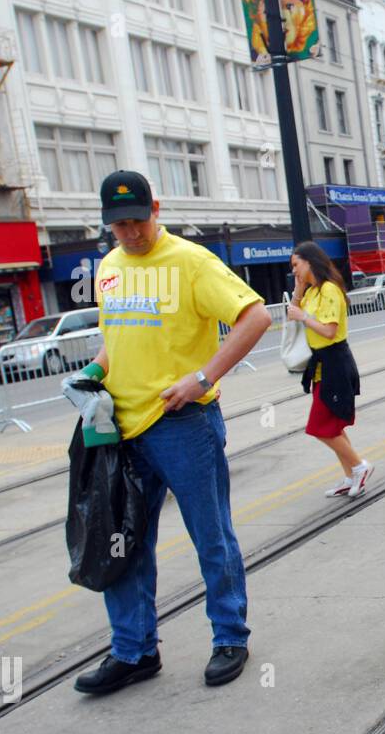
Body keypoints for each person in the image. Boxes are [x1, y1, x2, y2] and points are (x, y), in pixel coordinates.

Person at [72, 170, 272, 695]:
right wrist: (94, 372)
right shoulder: (110, 268)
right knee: (125, 543)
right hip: (122, 428)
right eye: (119, 226)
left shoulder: (191, 261)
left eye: (137, 221)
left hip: (184, 425)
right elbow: (120, 339)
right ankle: (133, 651)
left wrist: (203, 377)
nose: (131, 233)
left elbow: (254, 317)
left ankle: (230, 636)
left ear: (155, 208)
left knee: (211, 536)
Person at [285, 242, 371, 498]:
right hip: (321, 366)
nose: (294, 271)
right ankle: (350, 475)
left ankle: (359, 466)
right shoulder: (312, 292)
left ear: (310, 261)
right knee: (333, 427)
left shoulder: (329, 290)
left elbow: (329, 330)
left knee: (319, 427)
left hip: (335, 363)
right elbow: (293, 314)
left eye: (296, 265)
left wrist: (303, 317)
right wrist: (299, 290)